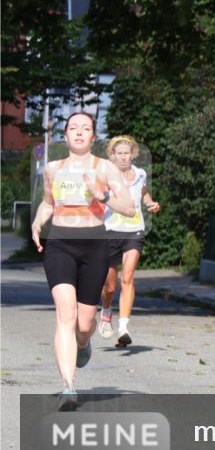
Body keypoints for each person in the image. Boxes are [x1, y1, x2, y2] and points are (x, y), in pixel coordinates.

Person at [31, 112, 137, 397]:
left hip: (94, 246)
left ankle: (82, 343)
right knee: (65, 313)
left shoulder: (105, 168)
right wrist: (38, 221)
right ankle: (68, 385)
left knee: (84, 323)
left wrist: (101, 196)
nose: (79, 132)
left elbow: (128, 207)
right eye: (73, 128)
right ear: (64, 136)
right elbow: (47, 203)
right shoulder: (53, 169)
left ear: (93, 136)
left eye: (85, 128)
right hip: (60, 244)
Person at [98, 135, 160, 347]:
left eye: (127, 153)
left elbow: (143, 194)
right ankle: (106, 312)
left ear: (132, 154)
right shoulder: (106, 176)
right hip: (110, 230)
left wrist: (151, 203)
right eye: (119, 153)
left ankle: (123, 328)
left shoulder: (140, 174)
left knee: (128, 278)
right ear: (112, 156)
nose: (124, 157)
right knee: (110, 286)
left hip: (134, 230)